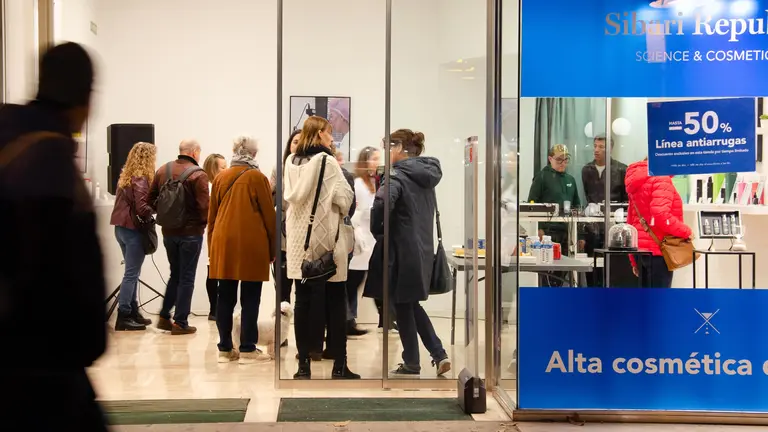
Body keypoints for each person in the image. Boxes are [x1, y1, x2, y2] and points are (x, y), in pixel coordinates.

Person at [0, 42, 108, 430]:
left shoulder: (11, 134)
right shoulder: (50, 159)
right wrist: (89, 340)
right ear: (85, 98)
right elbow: (68, 271)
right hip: (39, 365)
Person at [284, 115, 359, 380]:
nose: (331, 137)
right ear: (318, 135)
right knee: (336, 302)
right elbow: (345, 199)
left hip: (298, 244)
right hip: (327, 240)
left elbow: (290, 200)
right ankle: (339, 365)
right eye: (328, 133)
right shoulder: (327, 162)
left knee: (302, 303)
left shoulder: (290, 162)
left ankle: (303, 366)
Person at [371, 129, 451, 376]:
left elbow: (383, 203)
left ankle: (428, 356)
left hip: (400, 250)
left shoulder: (395, 175)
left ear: (398, 149)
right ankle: (428, 357)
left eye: (386, 147)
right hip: (421, 249)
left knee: (404, 302)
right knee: (407, 303)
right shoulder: (425, 175)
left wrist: (377, 229)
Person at [209, 136, 276, 364]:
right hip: (251, 243)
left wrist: (212, 249)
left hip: (223, 243)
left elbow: (212, 217)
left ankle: (225, 348)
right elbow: (269, 217)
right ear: (254, 154)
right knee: (250, 297)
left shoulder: (220, 178)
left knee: (225, 296)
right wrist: (272, 248)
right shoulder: (258, 178)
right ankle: (248, 348)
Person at [149, 139, 209, 335]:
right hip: (191, 234)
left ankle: (165, 316)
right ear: (193, 152)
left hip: (168, 232)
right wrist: (203, 224)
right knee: (187, 277)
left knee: (175, 274)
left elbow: (150, 200)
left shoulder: (162, 170)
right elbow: (204, 207)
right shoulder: (198, 175)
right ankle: (181, 322)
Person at [110, 142, 157, 331]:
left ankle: (133, 311)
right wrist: (161, 207)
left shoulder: (127, 176)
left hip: (121, 229)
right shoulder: (141, 179)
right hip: (132, 231)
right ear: (147, 158)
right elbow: (142, 209)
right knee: (131, 273)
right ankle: (123, 315)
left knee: (133, 272)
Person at [625, 158, 692, 288]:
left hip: (640, 251)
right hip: (658, 250)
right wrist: (686, 231)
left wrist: (633, 259)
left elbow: (631, 221)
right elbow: (661, 215)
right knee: (660, 301)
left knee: (646, 301)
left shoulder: (636, 181)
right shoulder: (661, 178)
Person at [348, 147, 391, 334]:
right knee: (353, 282)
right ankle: (348, 321)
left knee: (376, 280)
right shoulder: (358, 184)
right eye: (373, 159)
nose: (376, 163)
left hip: (372, 240)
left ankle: (385, 319)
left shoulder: (375, 183)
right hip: (361, 239)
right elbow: (355, 212)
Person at [528, 144, 580, 286]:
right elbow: (532, 205)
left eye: (566, 159)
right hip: (547, 233)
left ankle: (558, 302)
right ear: (550, 159)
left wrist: (579, 235)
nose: (563, 163)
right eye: (559, 160)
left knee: (561, 274)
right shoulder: (542, 177)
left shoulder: (571, 180)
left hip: (567, 233)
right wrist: (538, 229)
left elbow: (577, 207)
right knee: (546, 273)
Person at [581, 136, 628, 286]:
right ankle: (593, 300)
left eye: (601, 147)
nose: (596, 150)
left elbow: (626, 200)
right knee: (592, 267)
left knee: (615, 268)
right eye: (595, 146)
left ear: (610, 149)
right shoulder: (587, 170)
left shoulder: (621, 169)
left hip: (615, 226)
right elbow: (588, 197)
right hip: (592, 226)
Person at [203, 153, 227, 320]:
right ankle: (214, 309)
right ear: (213, 169)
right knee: (212, 270)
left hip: (220, 232)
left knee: (216, 271)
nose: (226, 170)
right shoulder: (209, 188)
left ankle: (216, 309)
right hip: (212, 233)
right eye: (223, 167)